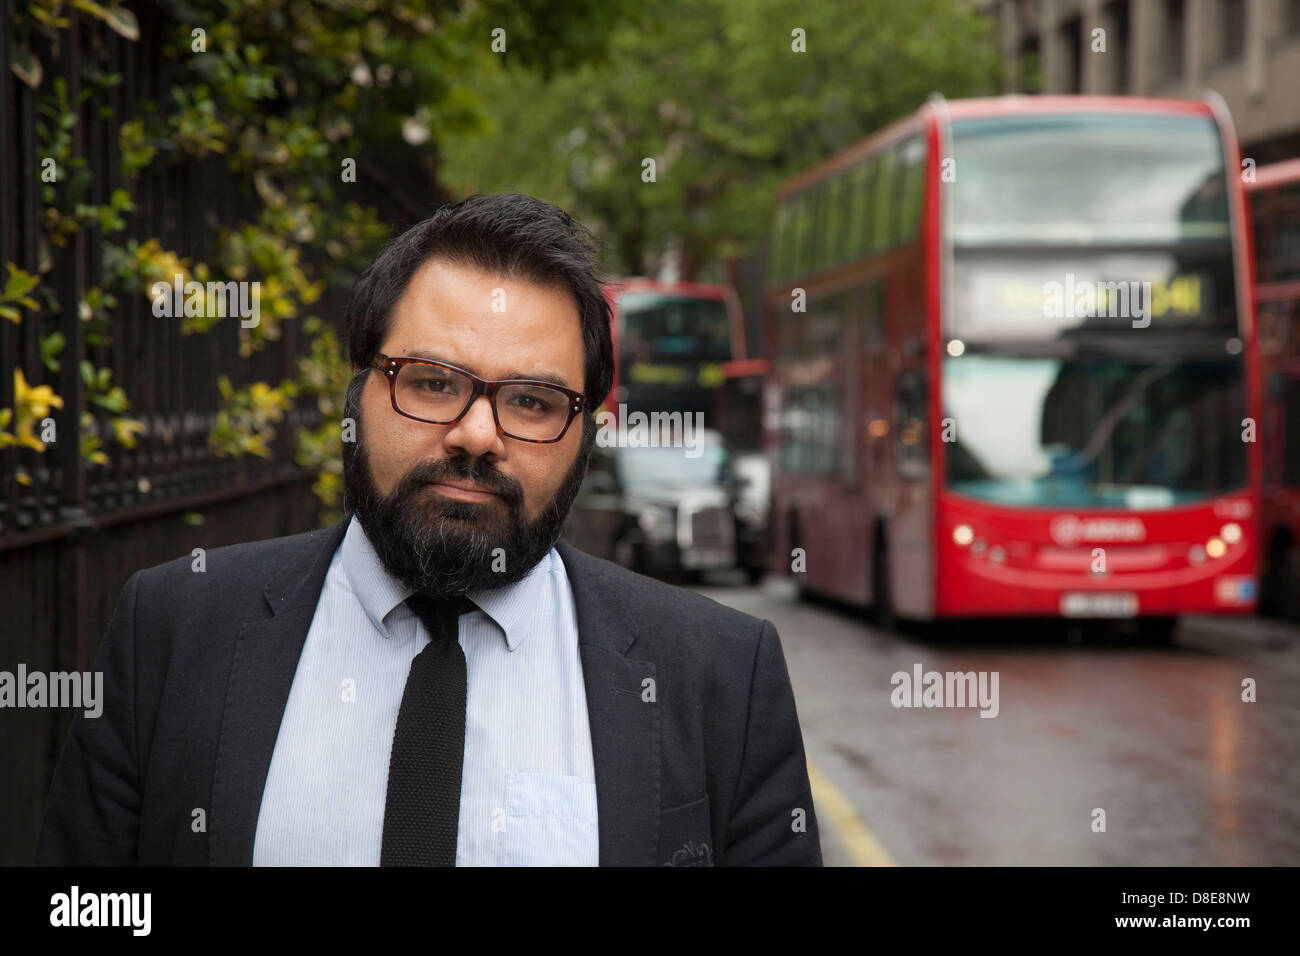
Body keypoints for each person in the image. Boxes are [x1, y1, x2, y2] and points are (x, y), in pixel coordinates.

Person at [35, 193, 821, 867]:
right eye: (433, 383)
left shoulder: (721, 677)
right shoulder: (173, 631)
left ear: (585, 433)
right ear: (358, 392)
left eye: (532, 402)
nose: (477, 434)